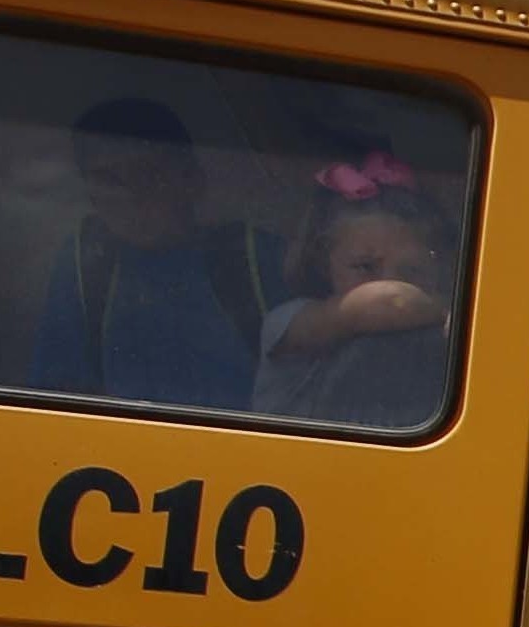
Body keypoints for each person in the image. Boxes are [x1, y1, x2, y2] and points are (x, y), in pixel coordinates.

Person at [26, 95, 268, 411]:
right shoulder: (87, 266)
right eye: (109, 180)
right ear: (90, 195)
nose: (131, 195)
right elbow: (53, 401)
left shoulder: (253, 260)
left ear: (192, 180)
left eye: (149, 174)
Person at [254, 156, 459, 425]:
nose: (388, 280)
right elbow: (388, 301)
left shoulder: (427, 328)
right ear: (323, 264)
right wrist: (454, 311)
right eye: (365, 266)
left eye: (411, 270)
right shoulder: (290, 321)